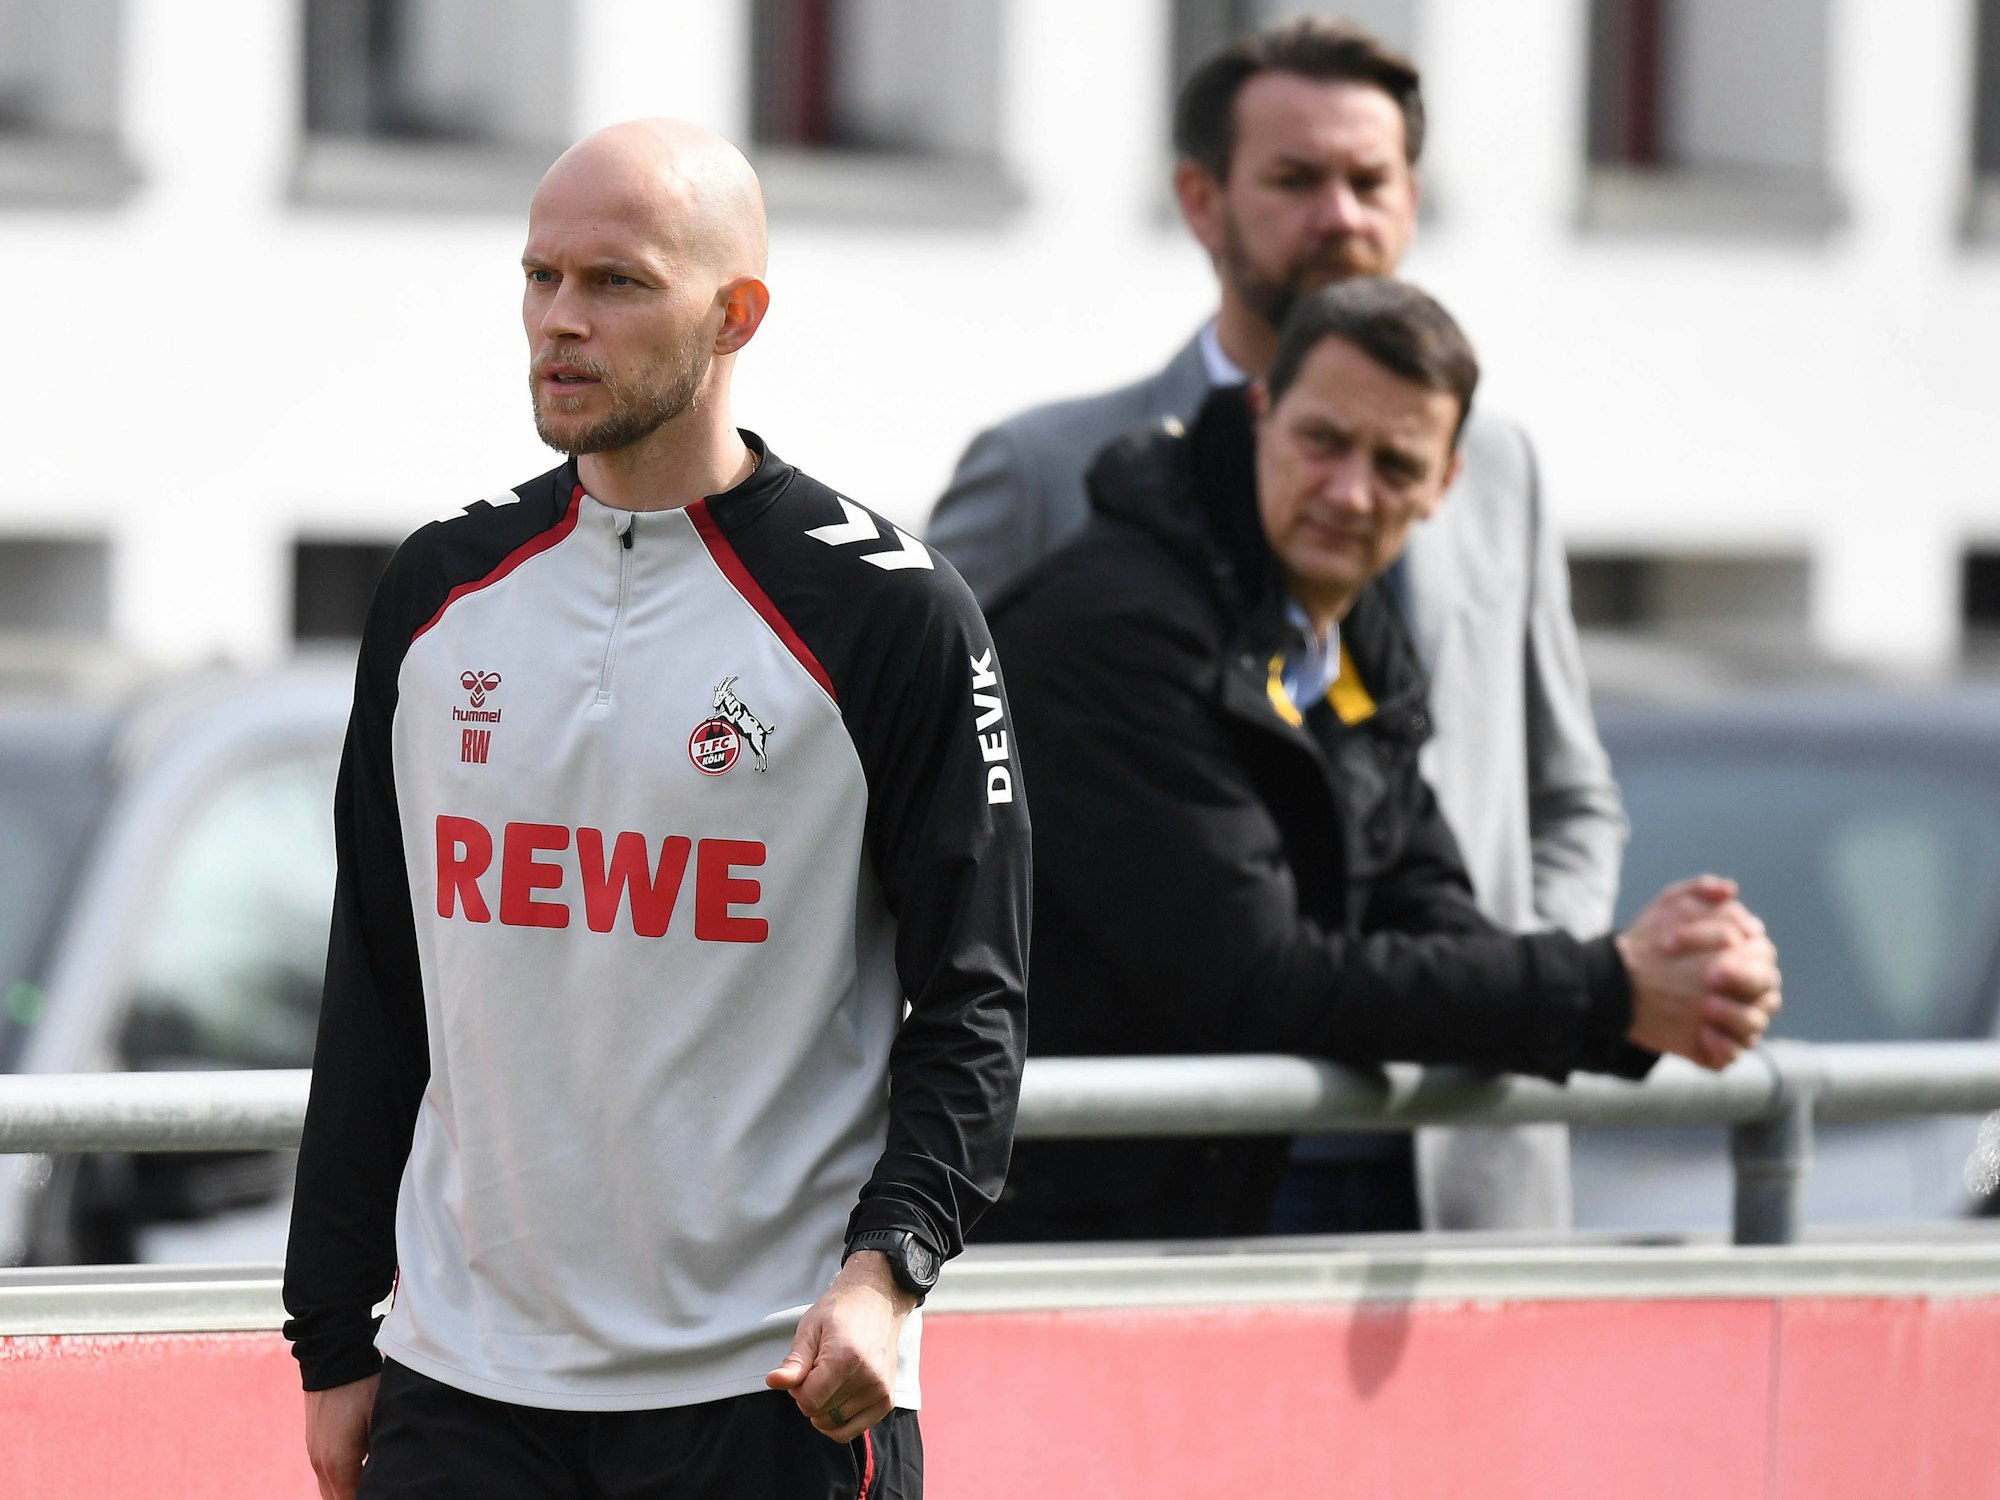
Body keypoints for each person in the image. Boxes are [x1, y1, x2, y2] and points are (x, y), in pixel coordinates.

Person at [281, 119, 1029, 1500]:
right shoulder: (437, 589)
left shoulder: (892, 614)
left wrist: (891, 1273)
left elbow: (974, 1002)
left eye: (615, 283)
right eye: (540, 277)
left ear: (735, 313)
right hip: (467, 1385)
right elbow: (380, 980)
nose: (559, 322)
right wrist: (329, 1330)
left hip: (768, 1390)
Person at [928, 17, 1618, 1228]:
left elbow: (1563, 796)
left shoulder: (1494, 465)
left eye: (1371, 181)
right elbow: (919, 786)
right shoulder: (1045, 471)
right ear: (1203, 201)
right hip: (1149, 1161)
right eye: (1296, 181)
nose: (1340, 216)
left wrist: (1497, 994)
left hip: (1454, 1151)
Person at [977, 277, 1779, 1243]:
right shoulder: (1111, 627)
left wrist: (1661, 984)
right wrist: (1614, 989)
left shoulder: (1346, 635)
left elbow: (1426, 902)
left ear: (1445, 485)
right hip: (1064, 1256)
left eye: (1396, 464)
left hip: (1201, 1221)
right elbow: (1258, 977)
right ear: (1261, 409)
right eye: (1325, 442)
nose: (1351, 493)